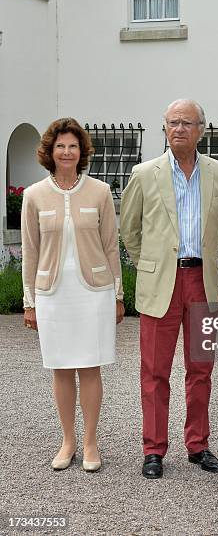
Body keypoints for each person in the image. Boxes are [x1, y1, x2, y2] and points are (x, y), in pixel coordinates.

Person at [120, 99, 218, 479]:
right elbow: (129, 231)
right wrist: (150, 264)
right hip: (161, 283)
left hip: (203, 281)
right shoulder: (144, 173)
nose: (179, 129)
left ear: (202, 128)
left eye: (187, 122)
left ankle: (197, 445)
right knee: (154, 370)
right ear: (164, 128)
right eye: (173, 122)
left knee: (201, 368)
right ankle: (153, 449)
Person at [21, 117, 125, 472]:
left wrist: (117, 295)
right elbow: (30, 251)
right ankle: (67, 441)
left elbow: (112, 246)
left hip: (94, 291)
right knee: (61, 369)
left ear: (82, 152)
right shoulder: (34, 195)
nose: (66, 152)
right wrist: (30, 301)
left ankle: (91, 442)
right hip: (52, 293)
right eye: (60, 146)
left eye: (73, 146)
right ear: (50, 152)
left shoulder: (98, 191)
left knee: (90, 366)